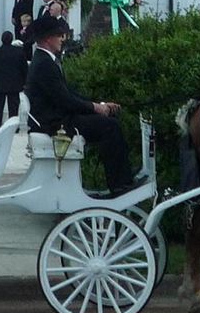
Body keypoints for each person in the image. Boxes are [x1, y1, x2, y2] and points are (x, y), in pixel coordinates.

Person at [24, 14, 144, 196]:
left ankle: (122, 176)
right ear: (48, 38)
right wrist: (95, 108)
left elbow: (67, 94)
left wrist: (98, 105)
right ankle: (120, 184)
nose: (62, 39)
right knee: (110, 127)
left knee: (109, 120)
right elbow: (65, 100)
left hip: (56, 118)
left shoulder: (44, 60)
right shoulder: (44, 64)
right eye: (59, 35)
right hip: (55, 124)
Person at [0, 31, 28, 131]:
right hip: (14, 84)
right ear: (11, 39)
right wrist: (24, 82)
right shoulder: (19, 52)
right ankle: (13, 127)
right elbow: (24, 69)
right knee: (13, 108)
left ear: (1, 40)